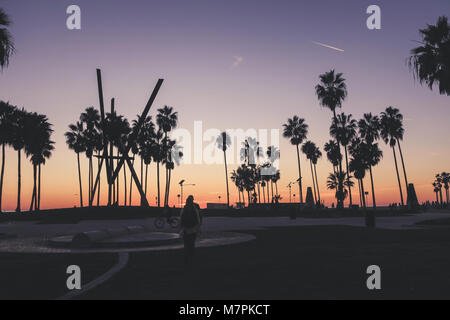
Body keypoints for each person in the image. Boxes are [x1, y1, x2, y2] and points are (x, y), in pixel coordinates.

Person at [179, 195, 202, 265]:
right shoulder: (194, 209)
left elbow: (181, 219)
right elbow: (198, 219)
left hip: (186, 230)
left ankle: (186, 259)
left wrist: (181, 229)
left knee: (186, 245)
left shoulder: (184, 209)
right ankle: (191, 259)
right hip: (193, 230)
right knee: (191, 245)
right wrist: (198, 228)